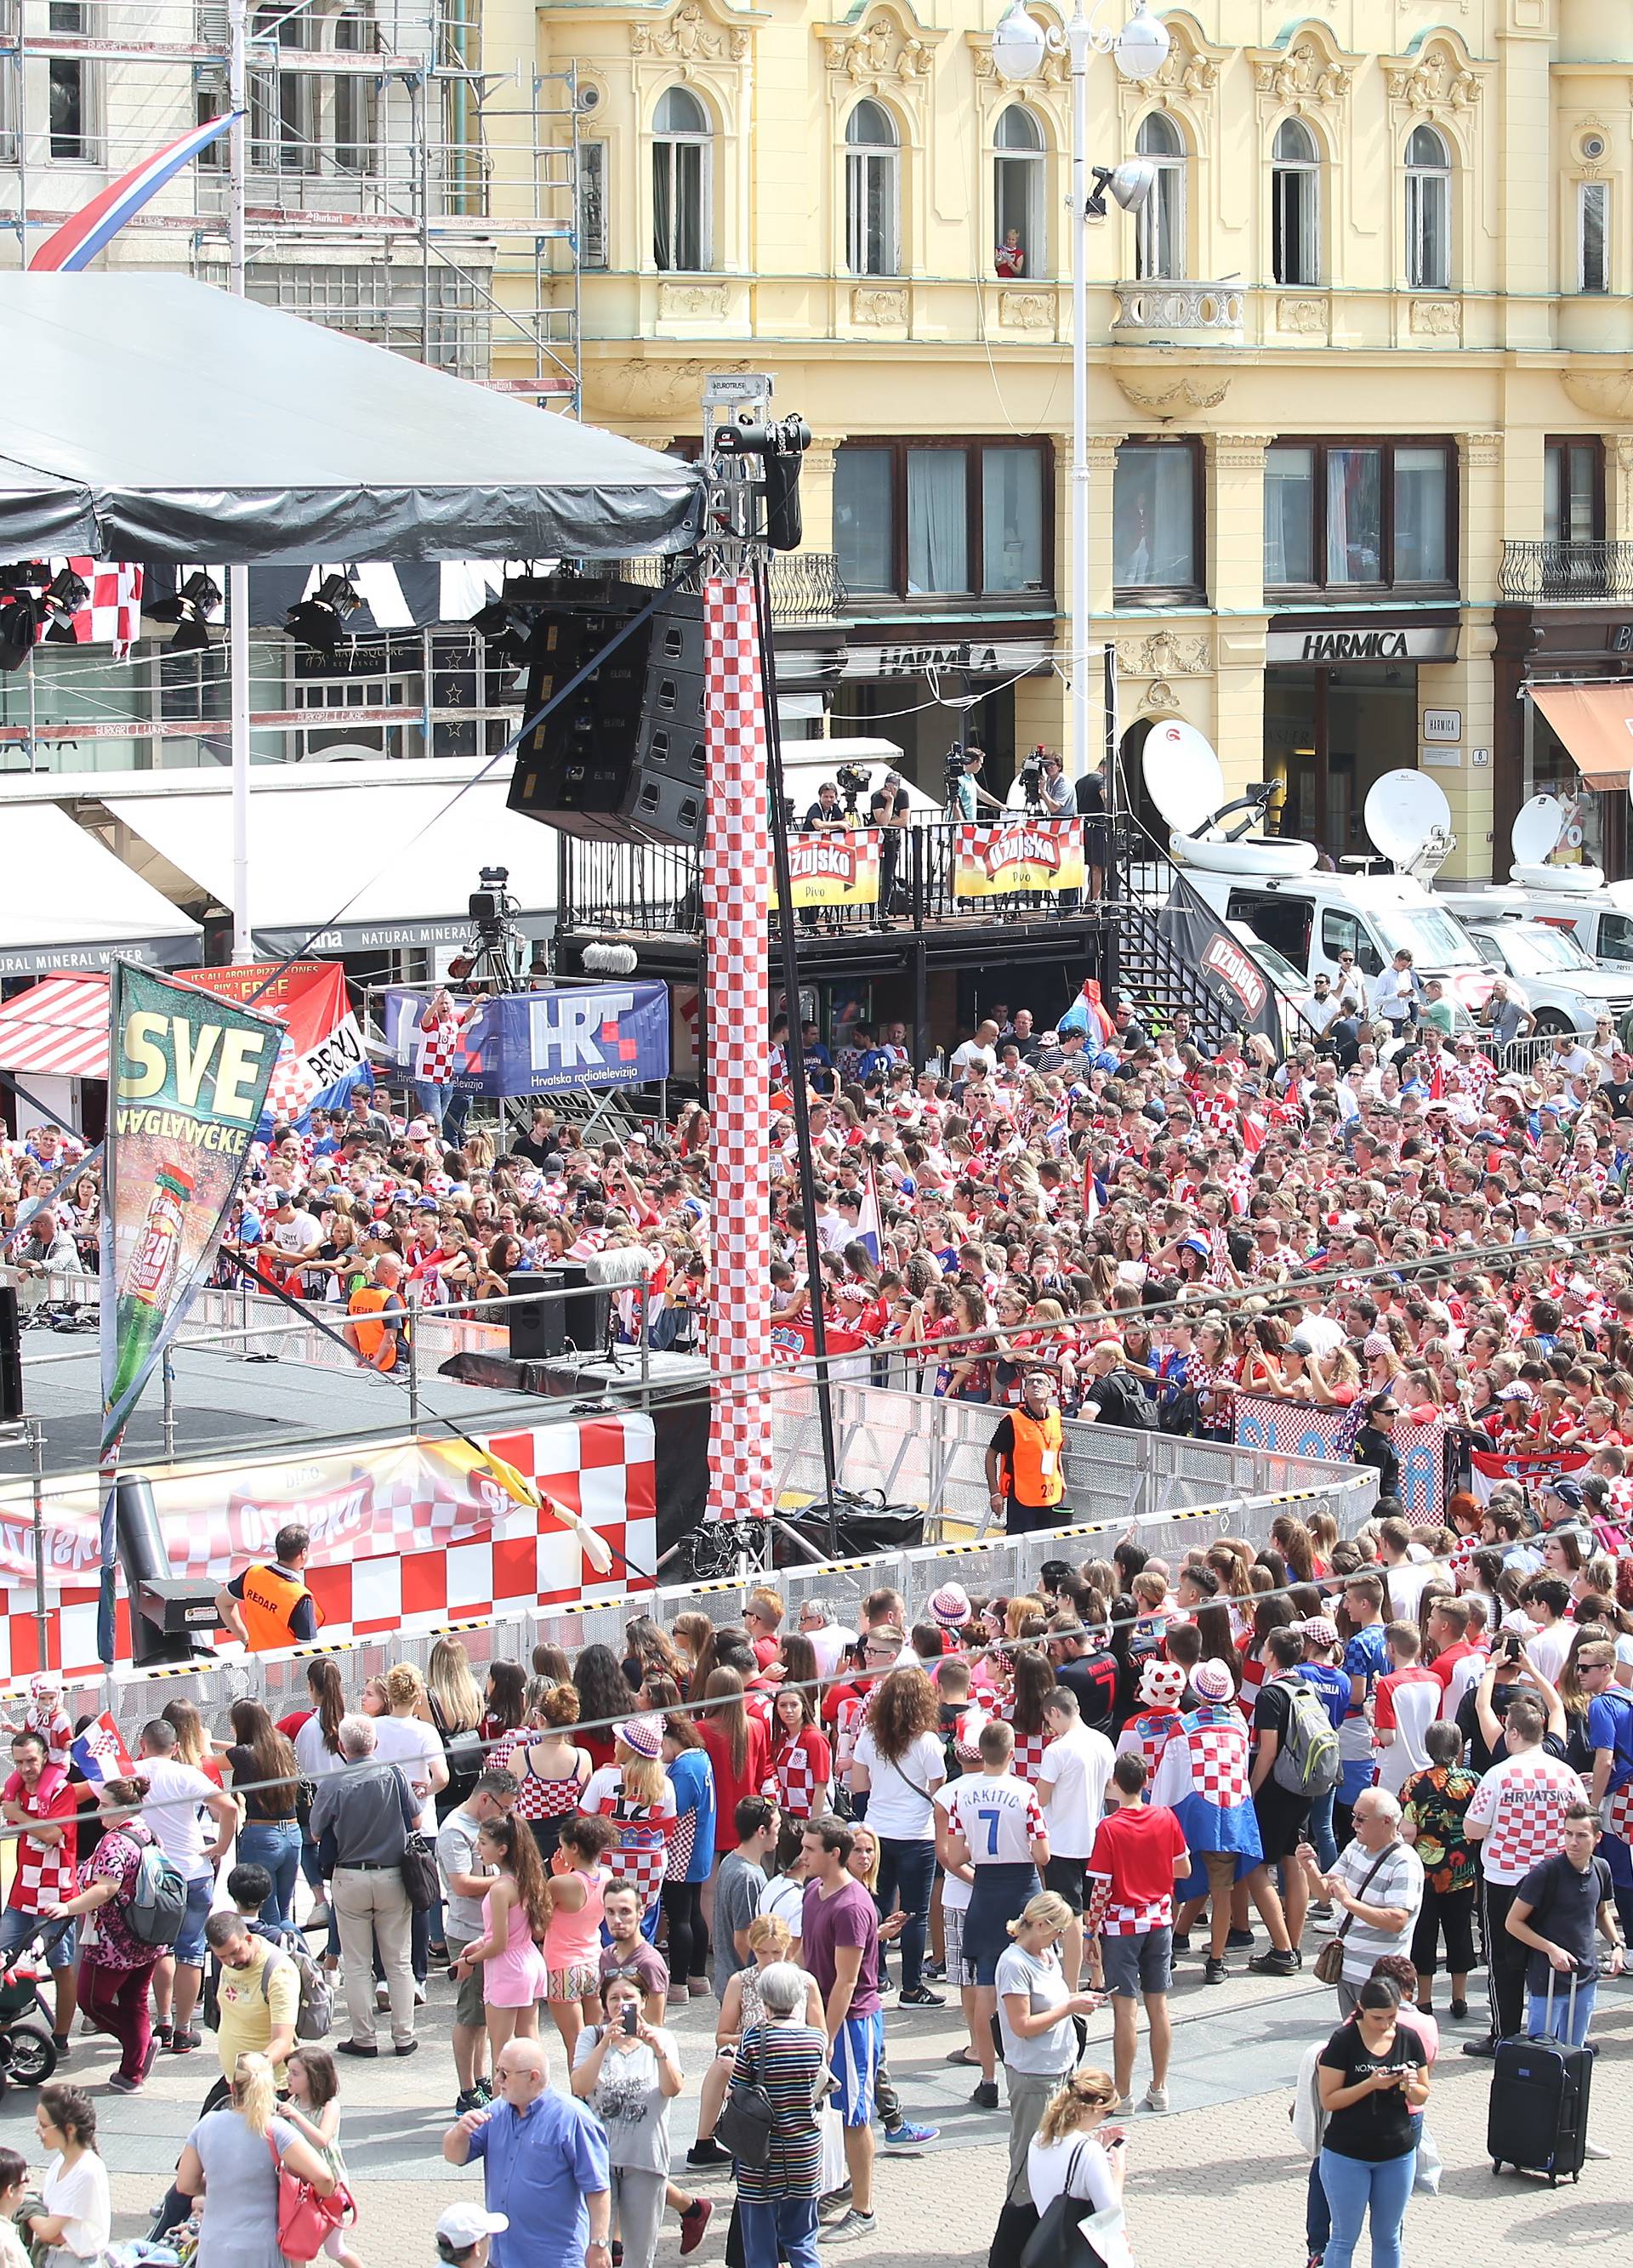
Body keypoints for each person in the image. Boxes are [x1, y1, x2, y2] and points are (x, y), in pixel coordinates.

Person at [1459, 1691, 1585, 2055]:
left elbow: (1474, 1828)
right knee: (1555, 1955)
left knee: (1504, 1960)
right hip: (1552, 1878)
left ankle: (1505, 2034)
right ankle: (1559, 2034)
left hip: (1506, 1878)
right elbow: (1582, 1819)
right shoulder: (1565, 1774)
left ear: (1512, 1733)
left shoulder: (1498, 1775)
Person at [942, 1718, 1050, 2111]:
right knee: (1036, 1978)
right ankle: (1034, 2067)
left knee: (986, 1985)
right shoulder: (1024, 1793)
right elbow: (1042, 1854)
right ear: (1010, 1754)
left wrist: (983, 1851)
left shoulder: (962, 1796)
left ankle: (987, 2078)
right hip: (1022, 1887)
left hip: (985, 1892)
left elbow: (955, 1856)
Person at [991, 1892, 1103, 2268]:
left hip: (1061, 2068)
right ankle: (1010, 2248)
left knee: (1057, 2155)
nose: (1059, 1938)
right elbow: (1022, 2026)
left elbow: (1054, 2001)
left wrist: (1077, 1998)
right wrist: (1069, 2007)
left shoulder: (1046, 1955)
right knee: (1027, 2161)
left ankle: (1043, 2234)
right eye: (1056, 1931)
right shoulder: (1013, 1964)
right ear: (1038, 1925)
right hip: (1033, 2077)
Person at [442, 2037, 612, 2268]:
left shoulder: (572, 2119)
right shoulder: (495, 2111)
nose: (498, 2080)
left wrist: (599, 2243)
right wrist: (460, 2133)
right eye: (497, 2071)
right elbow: (455, 2157)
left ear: (533, 2077)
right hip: (503, 2259)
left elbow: (598, 2186)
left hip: (554, 2259)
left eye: (505, 2073)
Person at [309, 1711, 421, 2058]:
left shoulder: (334, 1783)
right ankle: (404, 2035)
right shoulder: (394, 1775)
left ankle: (364, 2037)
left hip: (350, 1875)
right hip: (392, 1874)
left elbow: (315, 1831)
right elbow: (415, 1818)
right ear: (375, 1743)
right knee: (399, 1961)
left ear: (342, 1746)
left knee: (357, 1963)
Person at [1085, 1752, 1189, 2115]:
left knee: (1124, 2012)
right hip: (1159, 1919)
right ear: (1146, 1781)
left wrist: (1090, 1932)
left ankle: (1123, 2093)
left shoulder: (1109, 1827)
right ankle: (1159, 2087)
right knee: (1159, 2006)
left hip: (1120, 1926)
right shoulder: (1166, 1817)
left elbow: (1100, 1889)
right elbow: (1184, 1868)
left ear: (1115, 1782)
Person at [42, 1771, 160, 2091]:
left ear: (121, 1809)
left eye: (103, 1805)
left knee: (92, 2001)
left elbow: (106, 1888)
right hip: (146, 1936)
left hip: (112, 1941)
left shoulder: (115, 1842)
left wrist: (68, 1907)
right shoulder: (146, 1831)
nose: (97, 1812)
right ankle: (132, 2071)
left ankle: (138, 2047)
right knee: (134, 2000)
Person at [175, 2051, 338, 2268]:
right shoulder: (275, 2129)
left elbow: (185, 2184)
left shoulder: (206, 2125)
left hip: (214, 2247)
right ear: (269, 2088)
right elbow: (324, 2177)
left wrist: (222, 2184)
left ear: (232, 2088)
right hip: (261, 2248)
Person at [135, 1714, 238, 2054]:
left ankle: (163, 2019)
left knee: (159, 1947)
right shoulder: (186, 1774)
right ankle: (183, 2029)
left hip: (153, 1874)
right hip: (193, 1871)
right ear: (176, 1747)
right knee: (191, 1950)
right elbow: (228, 1808)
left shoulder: (132, 1774)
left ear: (142, 1745)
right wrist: (221, 1847)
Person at [799, 1818, 881, 2242]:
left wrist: (827, 2036)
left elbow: (846, 1982)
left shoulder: (852, 1906)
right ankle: (843, 2186)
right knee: (829, 2113)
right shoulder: (814, 1891)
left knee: (854, 2114)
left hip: (850, 2023)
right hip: (820, 2017)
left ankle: (864, 2210)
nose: (803, 1856)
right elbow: (807, 1957)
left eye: (811, 1849)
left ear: (834, 1854)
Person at [570, 1974, 685, 2268]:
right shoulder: (592, 2036)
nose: (622, 2005)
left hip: (645, 2161)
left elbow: (672, 2088)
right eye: (614, 1999)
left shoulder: (663, 2038)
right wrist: (605, 2043)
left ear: (644, 2001)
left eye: (629, 1998)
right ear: (605, 2005)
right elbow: (580, 2087)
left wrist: (658, 2051)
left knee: (639, 2256)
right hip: (599, 2163)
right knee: (594, 2252)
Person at [1315, 1978, 1430, 2268]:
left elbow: (1423, 2094)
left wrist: (1410, 2085)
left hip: (1397, 2154)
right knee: (1343, 2237)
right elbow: (1329, 2099)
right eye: (1377, 2018)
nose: (1384, 2025)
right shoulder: (1343, 2041)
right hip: (1346, 2155)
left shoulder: (1408, 2038)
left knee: (1388, 2236)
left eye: (1391, 2017)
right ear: (1361, 2008)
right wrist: (1369, 2085)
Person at [850, 1664, 946, 2006]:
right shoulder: (928, 1743)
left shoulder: (869, 1736)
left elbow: (858, 1785)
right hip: (917, 1835)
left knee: (876, 1906)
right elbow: (938, 1793)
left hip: (877, 1831)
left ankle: (875, 1977)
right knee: (914, 1912)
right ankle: (911, 1987)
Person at [728, 1959, 828, 2268]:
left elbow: (734, 2093)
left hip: (761, 2155)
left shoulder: (754, 2040)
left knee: (759, 2245)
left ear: (763, 1999)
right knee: (802, 2238)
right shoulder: (816, 2040)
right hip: (805, 2152)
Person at [1505, 1799, 1626, 2049]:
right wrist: (1551, 1949)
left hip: (1585, 1977)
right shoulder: (1546, 1873)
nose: (1573, 1842)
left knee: (1574, 2050)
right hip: (1548, 1979)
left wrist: (1616, 1944)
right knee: (1543, 2055)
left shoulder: (1601, 1868)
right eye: (1568, 1833)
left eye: (1581, 1836)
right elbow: (1513, 1922)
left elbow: (1601, 1911)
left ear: (1597, 1838)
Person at [437, 1765, 521, 2113]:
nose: (508, 1816)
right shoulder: (456, 1830)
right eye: (504, 1809)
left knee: (486, 2014)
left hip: (490, 1930)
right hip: (468, 1933)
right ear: (485, 1799)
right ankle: (466, 2089)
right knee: (470, 2014)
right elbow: (461, 1884)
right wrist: (510, 1881)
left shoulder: (488, 1824)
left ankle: (482, 2078)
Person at [1300, 1788, 1425, 2019]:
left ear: (1386, 1822)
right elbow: (1324, 1893)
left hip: (1380, 1980)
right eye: (1354, 1815)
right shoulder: (1356, 1848)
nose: (1354, 1823)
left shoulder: (1405, 1862)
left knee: (1376, 2047)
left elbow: (1397, 1920)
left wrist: (1348, 1901)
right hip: (1347, 1971)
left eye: (1361, 1818)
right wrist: (1309, 1866)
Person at [1033, 1684, 1115, 1991]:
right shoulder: (1104, 1742)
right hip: (1095, 1839)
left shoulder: (1057, 1750)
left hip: (1063, 1842)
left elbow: (1041, 1797)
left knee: (1069, 1916)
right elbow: (1110, 1788)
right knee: (1094, 1913)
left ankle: (1070, 1983)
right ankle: (1098, 1975)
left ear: (1055, 1712)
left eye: (1049, 1720)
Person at [1, 1728, 77, 2054]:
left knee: (62, 1966)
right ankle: (5, 2029)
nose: (25, 1768)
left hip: (57, 1895)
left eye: (31, 1760)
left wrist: (17, 1813)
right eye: (18, 1762)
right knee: (4, 1960)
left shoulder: (61, 1789)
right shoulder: (17, 1789)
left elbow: (51, 1834)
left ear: (45, 1756)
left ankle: (61, 2037)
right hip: (22, 1894)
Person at [451, 1814, 552, 2059]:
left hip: (507, 1968)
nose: (478, 1848)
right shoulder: (529, 1879)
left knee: (502, 2049)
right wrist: (480, 1943)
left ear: (502, 1849)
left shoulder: (500, 1888)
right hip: (530, 1961)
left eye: (483, 1843)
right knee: (529, 2038)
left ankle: (503, 2097)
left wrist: (469, 1962)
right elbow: (528, 1930)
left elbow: (499, 1943)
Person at [1399, 1720, 1479, 2020]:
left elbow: (1407, 1830)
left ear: (1427, 1747)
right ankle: (1459, 1998)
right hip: (1463, 1870)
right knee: (1460, 1932)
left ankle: (1425, 1998)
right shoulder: (1473, 1781)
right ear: (1459, 1748)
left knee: (1424, 1933)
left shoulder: (1413, 1783)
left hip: (1425, 1872)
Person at [219, 1699, 302, 1929]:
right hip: (292, 1833)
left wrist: (204, 1742)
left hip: (262, 1837)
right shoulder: (282, 1744)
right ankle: (296, 1956)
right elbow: (237, 1752)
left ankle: (281, 1960)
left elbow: (209, 1762)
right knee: (283, 1915)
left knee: (268, 1918)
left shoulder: (244, 1754)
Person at [1023, 2068, 1127, 2244]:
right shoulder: (1088, 2151)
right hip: (1079, 2249)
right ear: (1097, 2105)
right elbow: (1110, 2214)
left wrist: (1097, 2150)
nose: (1103, 2119)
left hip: (1050, 2244)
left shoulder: (1039, 2138)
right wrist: (1119, 2172)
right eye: (1107, 2112)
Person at [282, 2046, 362, 2268]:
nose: (288, 2078)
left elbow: (322, 2139)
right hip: (302, 2187)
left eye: (295, 2073)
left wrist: (297, 2118)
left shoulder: (329, 2106)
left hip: (331, 2186)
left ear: (314, 2077)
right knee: (296, 2246)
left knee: (334, 2248)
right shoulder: (292, 2102)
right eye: (288, 2071)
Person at [26, 2085, 109, 2268]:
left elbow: (49, 2232)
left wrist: (26, 2208)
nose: (37, 2130)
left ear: (70, 2129)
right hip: (55, 2257)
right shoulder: (60, 2162)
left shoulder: (86, 2170)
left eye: (44, 2125)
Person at [712, 1795, 780, 2000]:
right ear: (761, 1831)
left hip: (730, 1981)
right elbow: (743, 1939)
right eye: (776, 1827)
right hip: (743, 1989)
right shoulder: (748, 1877)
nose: (779, 1833)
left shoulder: (731, 1860)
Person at [214, 1522, 321, 1651]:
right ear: (303, 1553)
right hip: (286, 1668)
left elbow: (222, 1602)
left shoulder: (253, 1574)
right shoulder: (300, 1597)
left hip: (255, 1661)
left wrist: (246, 1640)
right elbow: (310, 1653)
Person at [985, 1370, 1066, 1535]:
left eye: (1041, 1382)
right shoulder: (1012, 1420)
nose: (1035, 1385)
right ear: (1025, 1392)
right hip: (1023, 1498)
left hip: (1052, 1495)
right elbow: (991, 1454)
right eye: (1030, 1382)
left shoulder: (1056, 1415)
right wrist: (995, 1493)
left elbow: (1056, 1450)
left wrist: (1062, 1479)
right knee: (1020, 1550)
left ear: (1050, 1390)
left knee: (1051, 1548)